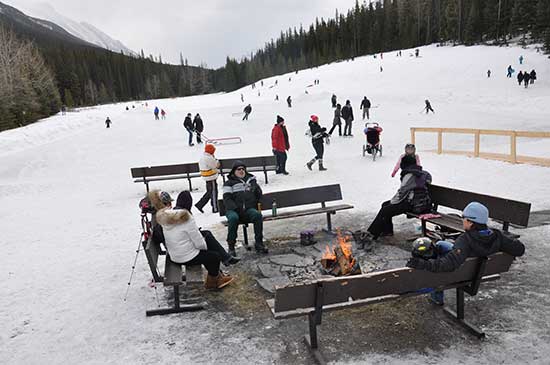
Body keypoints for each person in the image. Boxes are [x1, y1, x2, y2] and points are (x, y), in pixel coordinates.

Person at [406, 202, 525, 304]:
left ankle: (436, 296)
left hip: (462, 271)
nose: (462, 220)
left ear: (471, 222)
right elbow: (520, 249)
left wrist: (423, 264)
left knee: (439, 249)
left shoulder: (465, 240)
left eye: (464, 218)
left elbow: (448, 265)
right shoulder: (497, 235)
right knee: (442, 245)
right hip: (477, 269)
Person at [147, 190, 234, 289]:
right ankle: (213, 281)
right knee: (215, 256)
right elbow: (199, 243)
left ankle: (218, 276)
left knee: (207, 246)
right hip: (185, 257)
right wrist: (205, 248)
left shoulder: (162, 218)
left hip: (174, 256)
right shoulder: (185, 217)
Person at [362, 155, 432, 244]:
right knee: (385, 205)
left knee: (386, 209)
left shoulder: (410, 175)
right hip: (422, 203)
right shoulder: (424, 173)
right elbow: (428, 181)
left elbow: (402, 192)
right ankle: (387, 231)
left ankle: (371, 234)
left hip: (414, 205)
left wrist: (392, 202)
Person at [223, 161, 268, 256]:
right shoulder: (229, 183)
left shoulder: (251, 181)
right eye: (239, 169)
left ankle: (259, 243)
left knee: (257, 215)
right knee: (233, 218)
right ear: (234, 171)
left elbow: (258, 195)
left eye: (243, 169)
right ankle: (231, 246)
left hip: (248, 209)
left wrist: (257, 193)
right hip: (233, 210)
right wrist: (236, 209)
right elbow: (227, 199)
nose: (241, 171)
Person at [195, 144, 220, 214]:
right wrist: (217, 161)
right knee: (214, 192)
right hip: (211, 177)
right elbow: (215, 165)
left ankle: (200, 204)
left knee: (209, 192)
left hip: (206, 177)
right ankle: (215, 208)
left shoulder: (203, 157)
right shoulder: (209, 158)